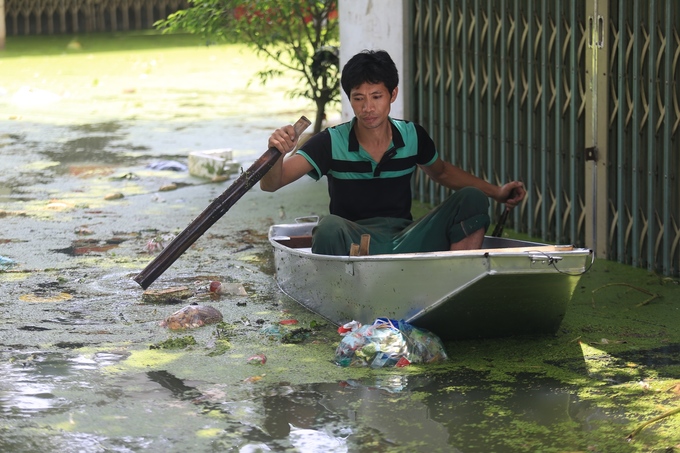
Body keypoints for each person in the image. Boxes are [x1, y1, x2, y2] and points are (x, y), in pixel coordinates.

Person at [261, 49, 525, 256]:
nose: (368, 107)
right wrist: (278, 153)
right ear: (350, 99)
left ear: (392, 94)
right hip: (353, 243)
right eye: (358, 98)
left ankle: (455, 278)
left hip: (407, 238)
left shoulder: (412, 136)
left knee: (472, 199)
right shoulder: (331, 141)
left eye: (376, 96)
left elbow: (442, 173)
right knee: (328, 227)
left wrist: (497, 193)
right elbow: (272, 184)